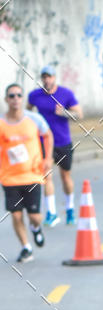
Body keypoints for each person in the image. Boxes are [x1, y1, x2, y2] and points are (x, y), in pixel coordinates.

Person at [0, 83, 52, 262]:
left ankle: (36, 228)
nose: (15, 99)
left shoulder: (34, 119)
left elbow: (48, 135)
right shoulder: (1, 122)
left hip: (32, 175)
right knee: (15, 214)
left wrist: (48, 159)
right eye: (12, 96)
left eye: (18, 95)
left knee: (35, 217)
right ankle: (26, 247)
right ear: (6, 99)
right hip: (9, 177)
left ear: (22, 99)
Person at [27, 64, 82, 226]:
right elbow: (27, 112)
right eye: (44, 77)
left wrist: (64, 112)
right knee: (46, 176)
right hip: (43, 142)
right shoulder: (34, 96)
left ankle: (70, 209)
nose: (46, 80)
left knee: (65, 177)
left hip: (63, 141)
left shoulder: (66, 94)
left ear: (54, 78)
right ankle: (51, 212)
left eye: (49, 77)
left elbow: (79, 114)